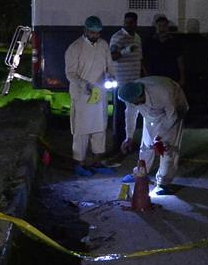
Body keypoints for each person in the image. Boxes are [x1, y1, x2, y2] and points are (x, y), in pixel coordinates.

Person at [117, 76, 189, 195]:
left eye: (136, 102)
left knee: (168, 149)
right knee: (146, 145)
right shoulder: (129, 95)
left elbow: (172, 117)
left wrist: (159, 138)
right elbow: (130, 115)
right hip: (151, 114)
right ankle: (140, 173)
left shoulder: (163, 93)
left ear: (140, 95)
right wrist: (129, 137)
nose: (134, 104)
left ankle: (163, 182)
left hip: (173, 111)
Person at [65, 15, 116, 177]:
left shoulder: (103, 45)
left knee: (100, 128)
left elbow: (110, 66)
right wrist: (83, 84)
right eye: (93, 32)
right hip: (82, 96)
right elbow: (70, 73)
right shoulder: (75, 48)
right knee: (81, 130)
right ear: (85, 30)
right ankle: (80, 162)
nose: (95, 36)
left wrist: (111, 77)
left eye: (98, 33)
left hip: (99, 94)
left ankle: (97, 161)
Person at [109, 12, 144, 147]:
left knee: (132, 113)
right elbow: (112, 56)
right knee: (120, 113)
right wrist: (125, 51)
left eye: (131, 23)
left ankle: (128, 140)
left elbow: (140, 59)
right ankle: (118, 142)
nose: (128, 25)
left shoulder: (137, 38)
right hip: (122, 81)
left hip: (135, 81)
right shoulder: (117, 37)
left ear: (136, 23)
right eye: (126, 22)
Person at [144, 14, 186, 89]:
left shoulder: (174, 42)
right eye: (159, 26)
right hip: (154, 77)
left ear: (168, 27)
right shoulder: (149, 42)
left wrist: (182, 77)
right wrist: (146, 75)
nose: (162, 29)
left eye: (164, 26)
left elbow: (180, 60)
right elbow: (144, 60)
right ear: (156, 27)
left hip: (171, 77)